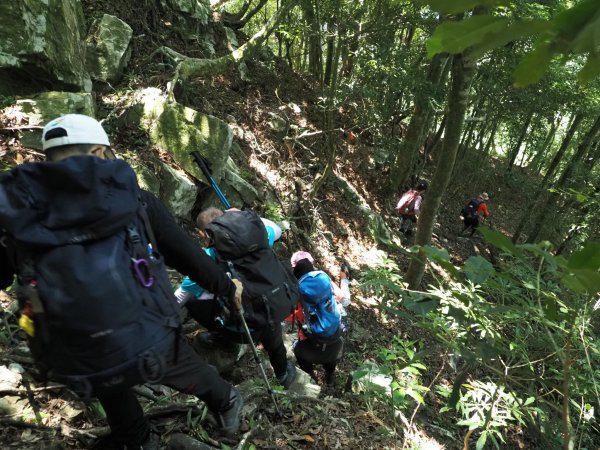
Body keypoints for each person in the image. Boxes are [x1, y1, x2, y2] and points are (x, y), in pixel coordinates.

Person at [0, 114, 243, 450]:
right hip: (147, 331)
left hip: (77, 345)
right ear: (101, 152)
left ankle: (136, 438)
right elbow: (188, 257)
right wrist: (228, 288)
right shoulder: (135, 200)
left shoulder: (22, 213)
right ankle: (226, 400)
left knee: (104, 374)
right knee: (175, 362)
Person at [176, 207, 297, 389]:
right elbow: (277, 229)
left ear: (204, 233)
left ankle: (220, 337)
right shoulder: (257, 235)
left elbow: (179, 299)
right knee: (275, 344)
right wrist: (239, 214)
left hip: (241, 328)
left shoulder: (205, 259)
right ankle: (283, 374)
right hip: (270, 312)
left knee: (193, 301)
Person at [288, 252, 344, 386]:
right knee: (331, 354)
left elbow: (289, 317)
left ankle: (311, 377)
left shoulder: (301, 300)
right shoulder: (327, 286)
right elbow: (340, 295)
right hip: (334, 343)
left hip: (311, 346)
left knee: (297, 350)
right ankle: (329, 377)